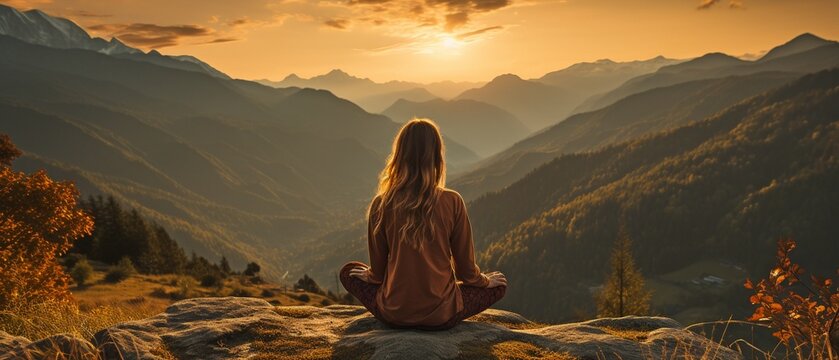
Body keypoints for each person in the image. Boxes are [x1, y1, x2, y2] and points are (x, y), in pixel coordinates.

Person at [339, 118, 507, 330]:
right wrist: (485, 281)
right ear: (436, 157)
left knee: (349, 271)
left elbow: (377, 275)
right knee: (499, 285)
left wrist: (370, 275)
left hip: (394, 313)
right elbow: (467, 274)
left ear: (399, 156)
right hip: (442, 316)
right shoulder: (452, 201)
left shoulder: (381, 203)